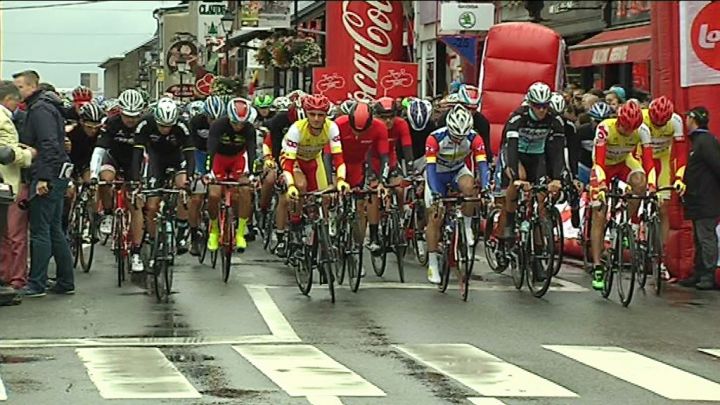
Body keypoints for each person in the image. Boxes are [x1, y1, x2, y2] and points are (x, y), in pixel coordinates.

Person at [13, 70, 75, 297]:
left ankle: (37, 283)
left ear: (32, 86)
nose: (17, 91)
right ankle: (65, 281)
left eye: (20, 86)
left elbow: (48, 144)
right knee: (54, 229)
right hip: (56, 172)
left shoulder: (39, 110)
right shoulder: (45, 106)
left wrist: (44, 178)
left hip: (46, 174)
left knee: (40, 230)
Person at [589, 101, 655, 290]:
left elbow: (649, 164)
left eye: (632, 129)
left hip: (624, 162)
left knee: (640, 182)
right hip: (603, 167)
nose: (628, 132)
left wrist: (651, 185)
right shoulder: (605, 128)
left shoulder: (642, 130)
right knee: (599, 213)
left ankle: (625, 223)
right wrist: (601, 186)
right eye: (626, 128)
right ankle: (597, 265)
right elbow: (599, 163)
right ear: (619, 121)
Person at [275, 94, 348, 257]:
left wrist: (341, 180)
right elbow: (287, 163)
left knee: (327, 194)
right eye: (312, 114)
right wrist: (291, 185)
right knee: (300, 187)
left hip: (314, 159)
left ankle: (323, 234)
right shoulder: (296, 129)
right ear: (306, 114)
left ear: (326, 115)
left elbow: (339, 159)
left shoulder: (332, 128)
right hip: (293, 160)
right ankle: (294, 226)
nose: (316, 119)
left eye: (320, 115)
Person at [425, 105, 489, 283]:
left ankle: (467, 226)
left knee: (470, 189)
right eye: (455, 136)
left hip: (458, 170)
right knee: (435, 216)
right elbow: (429, 169)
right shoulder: (435, 138)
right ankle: (432, 265)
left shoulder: (474, 138)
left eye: (461, 137)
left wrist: (485, 188)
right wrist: (436, 194)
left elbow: (482, 165)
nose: (458, 139)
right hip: (436, 173)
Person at [90, 88, 147, 271]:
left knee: (136, 205)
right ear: (120, 111)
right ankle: (107, 213)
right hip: (113, 158)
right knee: (105, 179)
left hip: (135, 163)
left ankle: (137, 252)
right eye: (127, 115)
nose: (131, 120)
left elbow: (150, 155)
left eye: (135, 116)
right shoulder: (111, 123)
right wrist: (92, 175)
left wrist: (143, 179)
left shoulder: (145, 125)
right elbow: (99, 150)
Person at [130, 97, 195, 254]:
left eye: (168, 126)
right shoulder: (145, 124)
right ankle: (153, 239)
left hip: (177, 159)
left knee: (183, 187)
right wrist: (136, 179)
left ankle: (181, 228)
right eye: (161, 126)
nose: (165, 129)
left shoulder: (181, 125)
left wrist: (190, 178)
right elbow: (137, 154)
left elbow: (190, 154)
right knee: (151, 205)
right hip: (155, 160)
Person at [206, 97, 257, 252]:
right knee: (214, 194)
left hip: (238, 159)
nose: (238, 127)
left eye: (241, 124)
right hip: (219, 159)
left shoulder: (249, 129)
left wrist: (252, 174)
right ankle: (214, 230)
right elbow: (211, 149)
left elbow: (252, 151)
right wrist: (209, 172)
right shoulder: (218, 125)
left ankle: (240, 232)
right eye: (235, 123)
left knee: (244, 191)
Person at [0, 81, 35, 300]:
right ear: (9, 99)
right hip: (6, 182)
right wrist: (29, 154)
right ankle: (9, 280)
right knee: (10, 235)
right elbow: (6, 152)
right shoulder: (3, 120)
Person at [678, 107, 719, 290]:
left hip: (706, 199)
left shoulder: (706, 141)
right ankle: (699, 272)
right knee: (698, 238)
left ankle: (708, 275)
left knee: (706, 237)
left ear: (693, 119)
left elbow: (717, 166)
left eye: (688, 117)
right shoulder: (699, 141)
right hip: (698, 198)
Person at [188, 95, 224, 256]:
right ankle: (194, 235)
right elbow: (188, 146)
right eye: (210, 119)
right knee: (197, 196)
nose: (213, 122)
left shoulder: (226, 123)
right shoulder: (196, 122)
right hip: (199, 154)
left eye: (217, 119)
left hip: (220, 156)